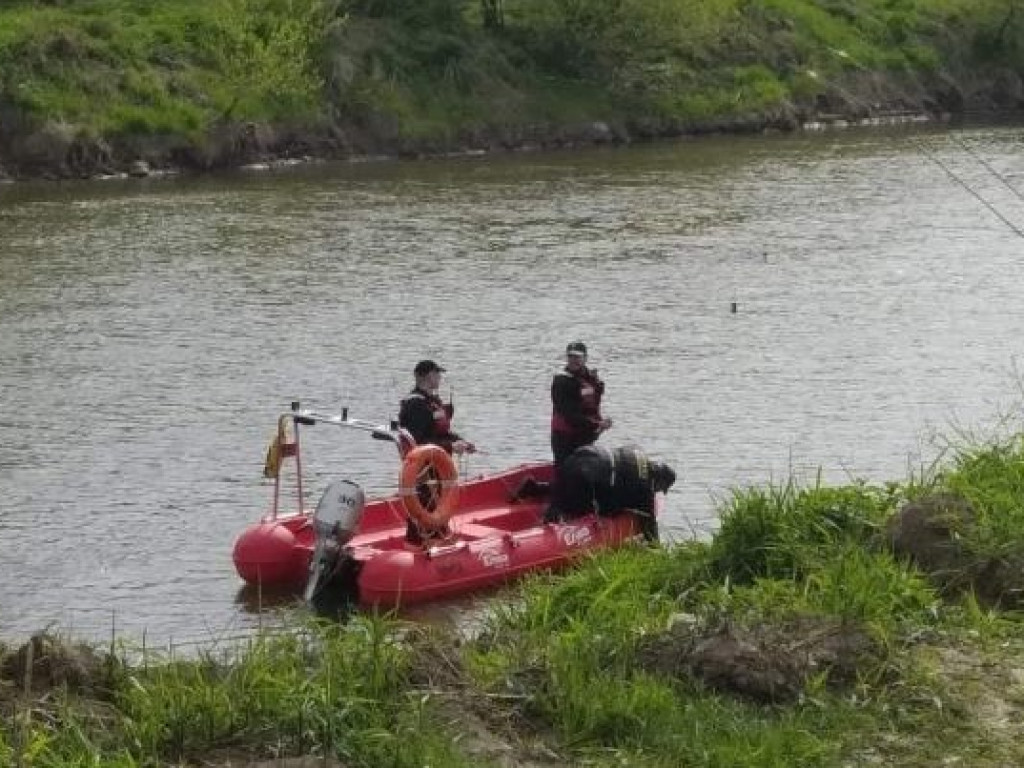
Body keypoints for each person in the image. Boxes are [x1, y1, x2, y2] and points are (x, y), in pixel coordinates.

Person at [398, 359, 475, 544]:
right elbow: (420, 441)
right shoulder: (416, 404)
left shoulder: (432, 401)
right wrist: (450, 447)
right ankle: (418, 544)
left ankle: (439, 537)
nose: (440, 377)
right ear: (428, 376)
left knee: (439, 503)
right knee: (425, 504)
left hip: (438, 463)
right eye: (437, 374)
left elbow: (441, 432)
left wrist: (459, 441)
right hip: (423, 466)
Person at [544, 444, 676, 541]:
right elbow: (649, 524)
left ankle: (540, 489)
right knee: (576, 508)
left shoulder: (637, 450)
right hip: (587, 476)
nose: (656, 491)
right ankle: (552, 537)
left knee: (560, 495)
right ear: (658, 480)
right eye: (659, 488)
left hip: (580, 455)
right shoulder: (644, 490)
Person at [550, 341, 612, 465]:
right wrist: (597, 424)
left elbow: (594, 401)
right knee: (566, 470)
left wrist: (600, 425)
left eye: (577, 357)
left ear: (585, 358)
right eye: (570, 356)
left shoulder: (591, 378)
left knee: (585, 470)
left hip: (586, 434)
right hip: (565, 436)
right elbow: (569, 414)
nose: (573, 360)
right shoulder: (561, 381)